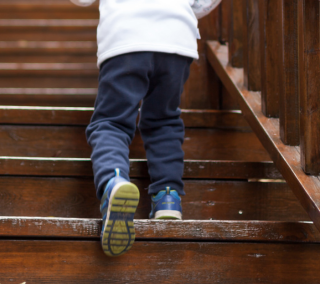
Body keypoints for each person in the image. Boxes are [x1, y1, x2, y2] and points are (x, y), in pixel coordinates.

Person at [70, 0, 221, 257]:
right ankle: (168, 197)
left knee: (112, 122)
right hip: (176, 38)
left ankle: (114, 180)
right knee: (164, 120)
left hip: (126, 36)